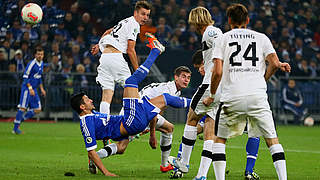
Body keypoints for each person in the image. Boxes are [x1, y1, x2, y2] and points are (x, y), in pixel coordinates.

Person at [71, 34, 193, 177]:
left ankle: (164, 164)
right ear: (82, 107)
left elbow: (104, 125)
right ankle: (156, 51)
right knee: (133, 83)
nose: (91, 100)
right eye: (87, 100)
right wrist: (106, 172)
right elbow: (90, 147)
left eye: (188, 77)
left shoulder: (93, 115)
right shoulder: (86, 122)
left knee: (122, 147)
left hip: (132, 120)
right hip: (134, 116)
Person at [209, 4, 290, 180]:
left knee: (220, 140)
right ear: (247, 20)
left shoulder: (222, 39)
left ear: (229, 20)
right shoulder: (261, 37)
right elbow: (275, 63)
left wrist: (212, 94)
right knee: (272, 141)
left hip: (232, 97)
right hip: (257, 96)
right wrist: (262, 79)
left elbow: (217, 72)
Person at [167, 7, 223, 177]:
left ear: (196, 20)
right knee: (209, 127)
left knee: (191, 118)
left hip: (211, 85)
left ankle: (183, 162)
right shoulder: (215, 32)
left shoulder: (210, 32)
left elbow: (221, 57)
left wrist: (212, 85)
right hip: (222, 87)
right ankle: (202, 174)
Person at [90, 1, 152, 115]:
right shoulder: (134, 24)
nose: (145, 18)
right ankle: (129, 126)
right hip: (116, 59)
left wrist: (99, 45)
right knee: (133, 93)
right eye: (143, 14)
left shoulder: (124, 21)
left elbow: (108, 31)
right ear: (135, 13)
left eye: (147, 15)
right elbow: (130, 50)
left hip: (104, 58)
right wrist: (138, 71)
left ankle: (104, 125)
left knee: (107, 95)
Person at [12, 47, 46, 134]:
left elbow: (39, 77)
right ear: (35, 55)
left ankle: (19, 120)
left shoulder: (41, 63)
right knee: (23, 107)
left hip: (34, 89)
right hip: (27, 88)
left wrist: (42, 89)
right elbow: (25, 77)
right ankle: (15, 129)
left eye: (41, 54)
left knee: (38, 109)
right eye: (38, 54)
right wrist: (30, 88)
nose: (40, 56)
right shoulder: (31, 64)